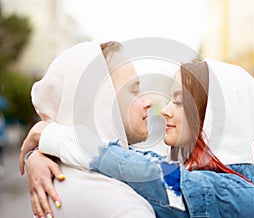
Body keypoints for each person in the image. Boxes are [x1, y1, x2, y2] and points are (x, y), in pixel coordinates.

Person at [21, 39, 254, 217]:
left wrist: (54, 135)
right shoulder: (189, 174)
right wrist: (38, 155)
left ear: (215, 118)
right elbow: (136, 161)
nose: (164, 110)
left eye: (179, 102)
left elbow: (142, 171)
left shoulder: (239, 197)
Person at [20, 40, 156, 218]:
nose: (148, 102)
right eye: (134, 90)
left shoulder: (57, 178)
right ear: (102, 102)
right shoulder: (123, 205)